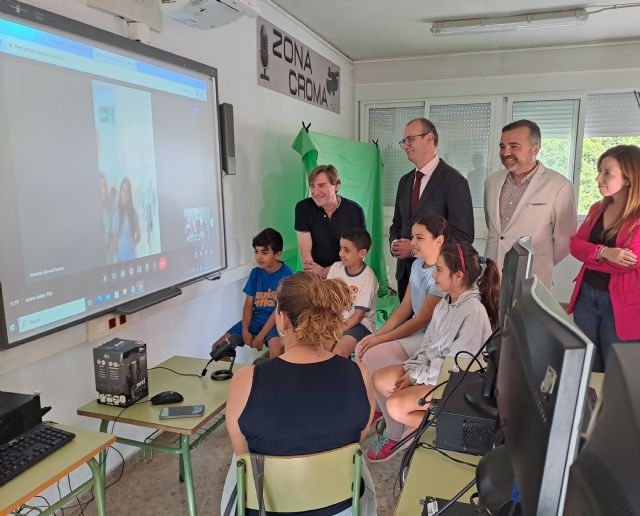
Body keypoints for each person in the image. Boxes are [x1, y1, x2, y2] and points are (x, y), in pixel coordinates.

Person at [223, 272, 377, 515]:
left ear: (282, 320)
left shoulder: (246, 380)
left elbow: (244, 455)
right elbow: (355, 439)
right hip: (342, 507)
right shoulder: (359, 374)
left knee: (238, 464)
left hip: (266, 508)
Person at [366, 243, 499, 462]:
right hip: (432, 373)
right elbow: (427, 346)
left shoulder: (473, 312)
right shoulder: (445, 303)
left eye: (439, 270)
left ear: (457, 276)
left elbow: (456, 369)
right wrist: (412, 372)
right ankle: (412, 422)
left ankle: (435, 430)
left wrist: (416, 376)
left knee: (395, 405)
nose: (434, 274)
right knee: (380, 379)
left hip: (453, 383)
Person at [356, 214, 448, 440]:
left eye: (419, 237)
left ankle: (395, 433)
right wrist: (377, 334)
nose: (412, 243)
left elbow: (420, 321)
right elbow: (404, 308)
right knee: (363, 348)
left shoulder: (441, 273)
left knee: (373, 355)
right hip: (418, 332)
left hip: (430, 337)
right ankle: (381, 409)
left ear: (439, 240)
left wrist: (379, 340)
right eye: (412, 237)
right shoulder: (417, 265)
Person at [567, 145, 640, 372]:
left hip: (620, 303)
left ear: (629, 179)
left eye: (607, 172)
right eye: (600, 171)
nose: (598, 177)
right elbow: (575, 245)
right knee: (587, 366)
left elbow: (629, 263)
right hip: (586, 296)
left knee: (617, 371)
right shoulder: (597, 208)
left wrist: (590, 253)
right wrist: (604, 252)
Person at [484, 119, 577, 288]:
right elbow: (494, 227)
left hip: (532, 278)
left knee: (526, 316)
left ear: (535, 148)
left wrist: (538, 262)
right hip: (492, 276)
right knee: (490, 315)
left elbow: (565, 241)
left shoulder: (559, 185)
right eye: (502, 147)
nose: (505, 153)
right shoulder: (492, 181)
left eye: (514, 146)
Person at [390, 118, 474, 300]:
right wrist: (394, 244)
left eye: (410, 139)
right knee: (407, 325)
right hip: (406, 274)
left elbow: (464, 236)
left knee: (429, 328)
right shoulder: (405, 181)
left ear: (429, 138)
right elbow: (397, 224)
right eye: (403, 141)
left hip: (437, 279)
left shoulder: (454, 181)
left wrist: (414, 250)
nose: (405, 145)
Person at [212, 228, 292, 358]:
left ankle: (273, 378)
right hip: (255, 320)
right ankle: (232, 378)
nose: (259, 257)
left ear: (277, 255)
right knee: (218, 348)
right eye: (256, 252)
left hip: (275, 322)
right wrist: (245, 330)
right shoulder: (255, 273)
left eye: (264, 253)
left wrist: (260, 336)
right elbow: (248, 305)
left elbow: (278, 311)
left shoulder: (287, 275)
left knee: (277, 352)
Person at [295, 165, 366, 277]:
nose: (315, 192)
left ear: (336, 186)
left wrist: (325, 272)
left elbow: (358, 255)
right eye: (312, 186)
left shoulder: (355, 211)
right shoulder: (303, 208)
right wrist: (318, 273)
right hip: (314, 274)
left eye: (321, 185)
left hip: (346, 274)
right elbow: (306, 258)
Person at [327, 228, 379, 357]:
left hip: (360, 325)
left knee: (339, 352)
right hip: (337, 322)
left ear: (362, 253)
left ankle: (344, 375)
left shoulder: (368, 277)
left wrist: (336, 331)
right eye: (340, 249)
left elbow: (357, 317)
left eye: (346, 250)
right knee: (322, 347)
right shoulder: (335, 268)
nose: (341, 254)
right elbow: (326, 302)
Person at [111, 177, 141, 262]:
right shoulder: (116, 215)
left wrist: (131, 246)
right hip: (121, 259)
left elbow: (138, 236)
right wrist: (117, 253)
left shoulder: (133, 214)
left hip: (132, 257)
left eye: (127, 191)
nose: (125, 194)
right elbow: (114, 242)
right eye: (123, 190)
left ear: (129, 195)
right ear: (120, 192)